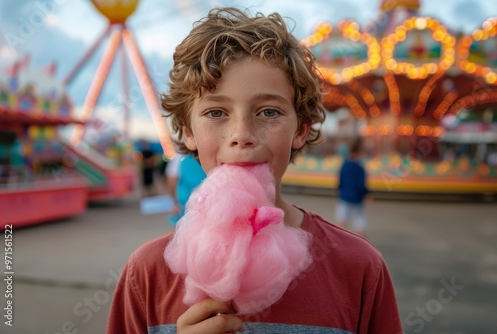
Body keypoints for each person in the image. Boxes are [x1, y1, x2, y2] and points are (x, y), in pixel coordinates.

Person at [107, 7, 402, 334]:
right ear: (187, 131)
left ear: (301, 129)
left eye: (269, 111)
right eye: (217, 112)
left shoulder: (359, 267)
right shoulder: (146, 273)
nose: (242, 135)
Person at [335, 137, 370, 237]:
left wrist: (340, 190)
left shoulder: (345, 165)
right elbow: (361, 184)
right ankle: (362, 240)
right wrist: (366, 194)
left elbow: (340, 180)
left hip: (344, 196)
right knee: (359, 219)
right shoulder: (360, 168)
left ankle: (340, 239)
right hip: (357, 198)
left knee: (342, 219)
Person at [165, 153, 206, 224]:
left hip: (186, 207)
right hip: (207, 205)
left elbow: (171, 180)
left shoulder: (180, 158)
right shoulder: (208, 155)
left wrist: (174, 202)